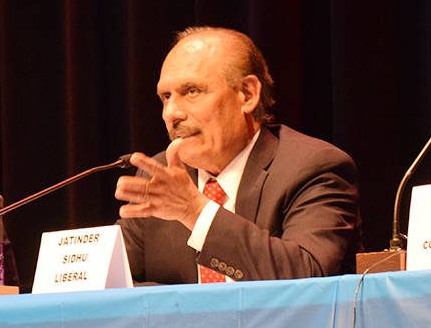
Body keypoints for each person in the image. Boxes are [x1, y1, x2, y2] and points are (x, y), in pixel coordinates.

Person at [114, 26, 361, 284]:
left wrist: (194, 211)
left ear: (248, 94)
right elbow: (109, 284)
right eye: (166, 96)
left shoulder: (313, 167)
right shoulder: (160, 177)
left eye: (192, 91)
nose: (171, 113)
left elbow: (307, 278)